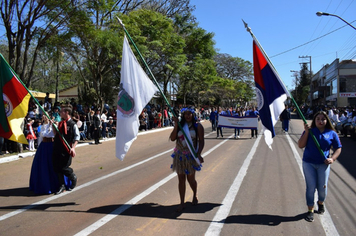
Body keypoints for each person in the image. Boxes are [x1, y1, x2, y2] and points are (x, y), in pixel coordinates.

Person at [298, 111, 342, 222]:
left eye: (323, 119)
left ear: (327, 120)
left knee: (322, 188)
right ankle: (310, 210)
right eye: (318, 119)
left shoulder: (332, 133)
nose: (320, 121)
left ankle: (320, 202)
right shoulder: (310, 131)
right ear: (314, 120)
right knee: (310, 187)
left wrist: (332, 158)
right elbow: (300, 145)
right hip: (309, 163)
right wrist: (307, 132)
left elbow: (338, 148)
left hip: (324, 164)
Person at [170, 107, 204, 212]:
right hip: (180, 156)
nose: (188, 116)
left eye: (190, 114)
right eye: (186, 114)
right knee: (181, 179)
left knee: (191, 179)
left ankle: (195, 194)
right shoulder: (181, 126)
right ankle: (182, 202)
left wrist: (198, 154)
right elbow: (172, 138)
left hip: (191, 156)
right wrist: (176, 124)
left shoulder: (198, 126)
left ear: (193, 115)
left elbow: (201, 141)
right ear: (183, 115)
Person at [29, 115, 71, 194]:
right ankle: (44, 185)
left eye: (46, 117)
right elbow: (42, 135)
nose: (45, 119)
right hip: (44, 147)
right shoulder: (42, 126)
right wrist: (45, 124)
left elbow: (55, 134)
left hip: (52, 145)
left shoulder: (54, 125)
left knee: (55, 164)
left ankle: (60, 184)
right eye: (44, 118)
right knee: (43, 165)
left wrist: (53, 125)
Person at [52, 104, 79, 195]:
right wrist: (53, 126)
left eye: (61, 111)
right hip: (57, 148)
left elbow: (77, 137)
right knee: (57, 167)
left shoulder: (72, 124)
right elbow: (56, 134)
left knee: (64, 167)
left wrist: (73, 147)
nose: (60, 113)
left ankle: (72, 176)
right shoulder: (60, 123)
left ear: (66, 113)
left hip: (66, 149)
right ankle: (62, 186)